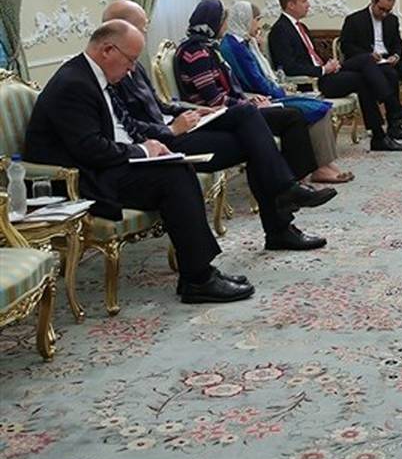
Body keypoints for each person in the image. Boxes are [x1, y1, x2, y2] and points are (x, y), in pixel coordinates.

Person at [23, 20, 252, 303]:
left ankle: (199, 273)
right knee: (173, 177)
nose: (132, 68)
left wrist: (154, 145)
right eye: (130, 59)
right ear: (107, 50)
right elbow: (90, 149)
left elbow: (122, 127)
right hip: (79, 179)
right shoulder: (73, 84)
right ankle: (198, 279)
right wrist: (143, 151)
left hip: (102, 166)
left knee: (178, 167)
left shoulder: (93, 76)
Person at [103, 0, 334, 253]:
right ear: (119, 30)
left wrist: (191, 111)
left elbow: (161, 105)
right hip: (162, 144)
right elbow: (124, 125)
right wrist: (171, 129)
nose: (145, 33)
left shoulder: (134, 65)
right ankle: (282, 212)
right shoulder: (109, 70)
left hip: (178, 128)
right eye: (143, 27)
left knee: (251, 129)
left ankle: (282, 215)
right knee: (254, 135)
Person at [177, 0, 340, 186]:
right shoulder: (197, 53)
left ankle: (297, 179)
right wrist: (247, 103)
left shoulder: (207, 48)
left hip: (234, 108)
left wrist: (249, 100)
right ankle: (294, 181)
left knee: (295, 114)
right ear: (215, 23)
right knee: (292, 117)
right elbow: (215, 99)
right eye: (223, 21)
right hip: (219, 115)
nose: (226, 26)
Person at [267, 0, 402, 152]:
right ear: (291, 4)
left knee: (365, 63)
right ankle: (390, 116)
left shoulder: (301, 27)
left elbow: (312, 56)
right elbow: (289, 68)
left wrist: (330, 64)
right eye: (304, 1)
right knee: (365, 71)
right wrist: (323, 70)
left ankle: (383, 131)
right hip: (313, 82)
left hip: (326, 73)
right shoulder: (280, 30)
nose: (309, 5)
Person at [221, 1, 352, 182]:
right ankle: (319, 168)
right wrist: (281, 92)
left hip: (268, 94)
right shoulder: (234, 47)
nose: (258, 26)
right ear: (245, 20)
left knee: (321, 107)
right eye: (256, 20)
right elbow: (255, 81)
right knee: (316, 109)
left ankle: (325, 164)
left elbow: (262, 74)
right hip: (260, 98)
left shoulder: (245, 43)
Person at [339, 0, 402, 138]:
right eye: (381, 9)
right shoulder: (354, 20)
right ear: (373, 2)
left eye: (388, 10)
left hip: (389, 58)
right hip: (368, 61)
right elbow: (346, 46)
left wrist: (396, 55)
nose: (384, 14)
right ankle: (394, 125)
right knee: (391, 75)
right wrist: (368, 55)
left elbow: (398, 43)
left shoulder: (392, 20)